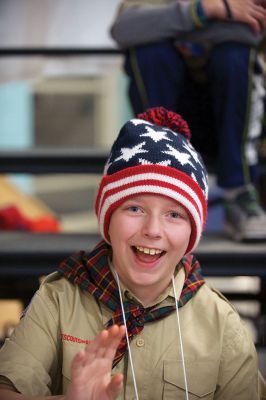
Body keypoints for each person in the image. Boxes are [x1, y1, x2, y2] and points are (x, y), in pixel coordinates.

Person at [0, 107, 265, 399]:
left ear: (192, 233)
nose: (153, 229)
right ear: (107, 220)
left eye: (174, 214)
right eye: (135, 208)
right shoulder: (58, 300)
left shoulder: (220, 321)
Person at [110, 0, 266, 242]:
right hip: (172, 119)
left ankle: (239, 192)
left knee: (235, 54)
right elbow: (124, 30)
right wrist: (210, 10)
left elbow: (249, 31)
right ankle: (158, 181)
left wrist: (167, 24)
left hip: (234, 122)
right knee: (149, 53)